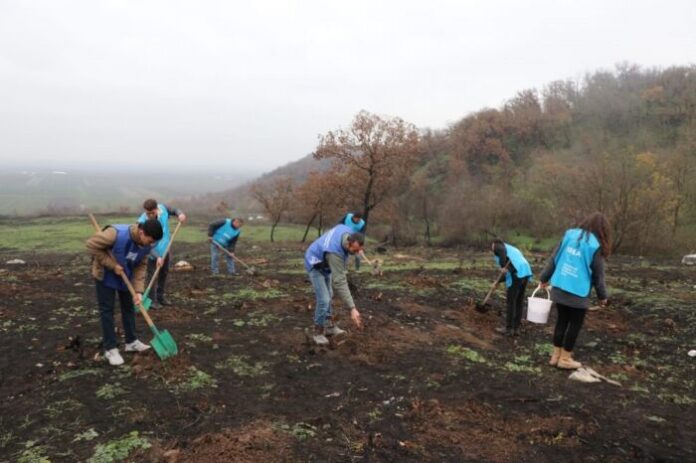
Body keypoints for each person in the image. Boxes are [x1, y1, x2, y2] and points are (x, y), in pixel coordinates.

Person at [86, 219, 164, 366]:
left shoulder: (147, 244)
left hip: (125, 274)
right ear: (141, 232)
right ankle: (110, 348)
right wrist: (111, 265)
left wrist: (139, 291)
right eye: (150, 240)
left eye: (153, 242)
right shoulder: (115, 234)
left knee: (128, 307)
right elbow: (91, 245)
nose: (151, 244)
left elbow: (141, 266)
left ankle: (131, 341)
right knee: (107, 310)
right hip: (105, 274)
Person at [539, 212, 610, 369]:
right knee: (574, 325)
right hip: (578, 292)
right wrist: (602, 296)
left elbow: (554, 258)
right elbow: (598, 274)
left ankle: (555, 356)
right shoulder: (595, 245)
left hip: (560, 285)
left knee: (561, 321)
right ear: (603, 230)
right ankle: (565, 359)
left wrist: (544, 278)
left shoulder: (569, 235)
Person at [304, 224, 365, 345]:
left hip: (325, 262)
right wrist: (352, 308)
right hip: (315, 263)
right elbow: (339, 281)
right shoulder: (335, 254)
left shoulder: (347, 231)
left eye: (359, 250)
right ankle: (317, 331)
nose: (357, 253)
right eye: (355, 250)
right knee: (324, 299)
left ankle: (329, 326)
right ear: (348, 244)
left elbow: (339, 225)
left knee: (330, 294)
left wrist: (356, 251)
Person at [137, 199, 186, 308]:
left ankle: (160, 297)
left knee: (164, 273)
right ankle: (151, 300)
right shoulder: (142, 222)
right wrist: (157, 256)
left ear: (156, 209)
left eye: (152, 213)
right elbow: (145, 245)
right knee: (151, 275)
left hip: (165, 248)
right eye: (147, 213)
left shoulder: (163, 209)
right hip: (151, 252)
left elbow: (173, 210)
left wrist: (180, 214)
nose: (150, 215)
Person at [491, 238, 533, 336]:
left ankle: (509, 329)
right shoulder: (511, 250)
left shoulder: (500, 247)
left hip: (518, 273)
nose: (492, 249)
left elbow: (509, 269)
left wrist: (502, 265)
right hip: (525, 272)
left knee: (511, 301)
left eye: (492, 246)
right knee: (518, 301)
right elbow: (510, 269)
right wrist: (497, 282)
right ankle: (516, 328)